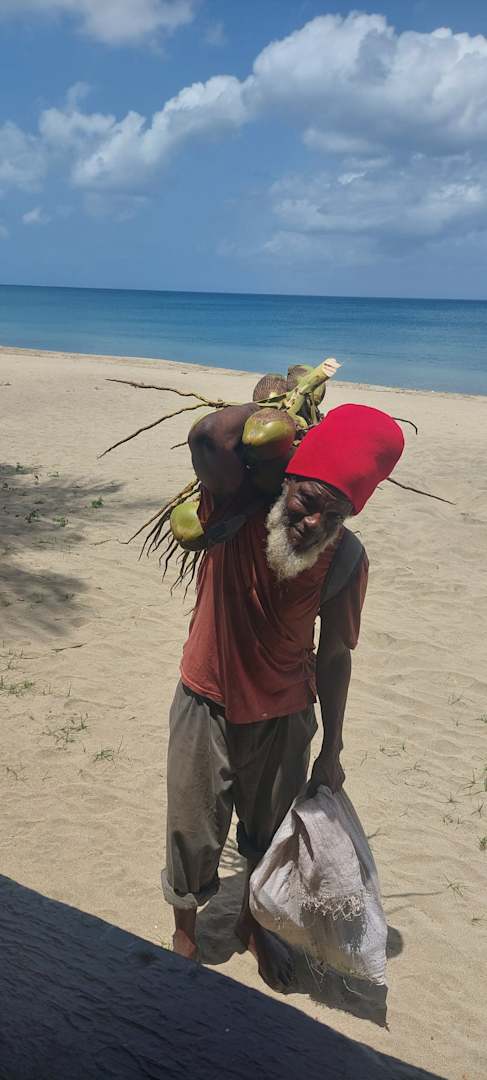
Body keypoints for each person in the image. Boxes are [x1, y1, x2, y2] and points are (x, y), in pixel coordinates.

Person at [161, 402, 404, 990]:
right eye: (307, 501)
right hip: (206, 697)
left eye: (335, 514)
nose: (314, 522)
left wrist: (333, 748)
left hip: (286, 713)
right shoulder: (232, 511)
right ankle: (185, 932)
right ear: (286, 480)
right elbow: (209, 436)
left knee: (266, 834)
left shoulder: (345, 559)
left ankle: (250, 924)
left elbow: (336, 655)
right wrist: (278, 411)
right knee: (191, 830)